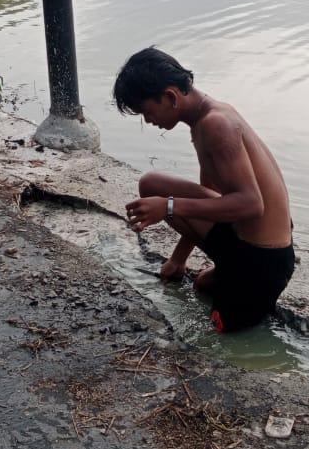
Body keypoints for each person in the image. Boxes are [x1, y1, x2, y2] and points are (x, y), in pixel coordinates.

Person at [114, 47, 295, 333]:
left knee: (220, 331)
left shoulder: (216, 124)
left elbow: (251, 204)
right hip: (239, 241)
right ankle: (224, 271)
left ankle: (238, 284)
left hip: (263, 261)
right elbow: (208, 190)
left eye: (148, 112)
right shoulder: (201, 120)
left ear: (171, 96)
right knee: (152, 185)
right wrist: (178, 258)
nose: (148, 121)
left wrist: (169, 207)